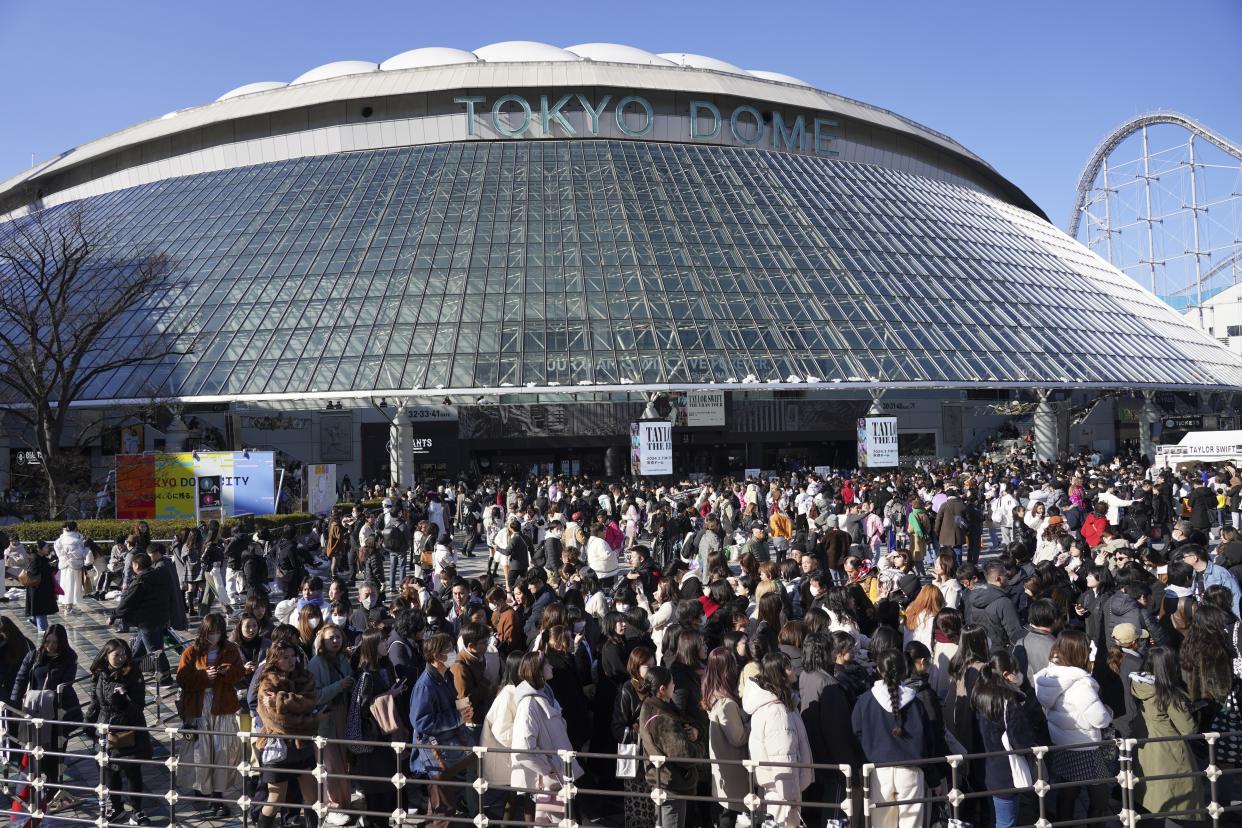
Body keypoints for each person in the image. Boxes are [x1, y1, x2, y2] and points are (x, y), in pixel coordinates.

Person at [851, 648, 937, 828]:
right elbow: (928, 740)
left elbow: (856, 733)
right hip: (910, 772)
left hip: (878, 772)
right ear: (904, 669)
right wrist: (933, 776)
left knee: (880, 824)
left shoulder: (865, 701)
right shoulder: (915, 702)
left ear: (878, 669)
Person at [1033, 630, 1114, 822]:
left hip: (1062, 743)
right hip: (1086, 747)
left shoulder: (1049, 676)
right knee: (1101, 800)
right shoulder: (1081, 684)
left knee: (1067, 796)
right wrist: (1109, 711)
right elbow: (1099, 719)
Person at [176, 613, 246, 814]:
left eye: (217, 632)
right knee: (201, 752)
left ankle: (218, 797)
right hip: (199, 707)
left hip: (222, 706)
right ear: (203, 632)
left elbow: (239, 674)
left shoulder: (231, 649)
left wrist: (226, 672)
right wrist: (203, 676)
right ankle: (201, 789)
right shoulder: (191, 652)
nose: (214, 636)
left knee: (222, 752)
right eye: (210, 632)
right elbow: (182, 679)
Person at [510, 651, 585, 826]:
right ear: (537, 670)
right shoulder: (528, 705)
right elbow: (523, 749)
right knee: (559, 820)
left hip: (559, 773)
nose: (551, 667)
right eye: (547, 665)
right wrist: (549, 767)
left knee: (561, 820)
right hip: (551, 778)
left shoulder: (546, 694)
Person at [11, 624, 80, 810]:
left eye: (55, 643)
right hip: (34, 710)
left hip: (58, 712)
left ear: (62, 643)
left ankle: (53, 788)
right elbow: (21, 677)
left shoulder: (69, 657)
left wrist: (53, 697)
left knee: (55, 752)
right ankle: (42, 787)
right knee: (35, 751)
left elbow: (67, 684)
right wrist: (15, 702)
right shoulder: (34, 655)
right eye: (48, 641)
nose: (50, 646)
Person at [970, 651, 1043, 828]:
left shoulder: (978, 693)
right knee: (1006, 822)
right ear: (1005, 674)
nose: (1017, 675)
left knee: (993, 818)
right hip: (1006, 773)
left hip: (983, 768)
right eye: (1015, 671)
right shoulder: (1007, 700)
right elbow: (1020, 740)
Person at [1131, 646, 1204, 820]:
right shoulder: (1169, 694)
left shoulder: (1136, 685)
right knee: (1179, 805)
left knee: (1149, 801)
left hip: (1145, 750)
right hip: (1170, 753)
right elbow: (1188, 729)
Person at [744, 651, 814, 828]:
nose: (795, 671)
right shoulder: (777, 711)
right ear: (781, 673)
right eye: (790, 667)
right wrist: (790, 796)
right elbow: (783, 755)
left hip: (775, 787)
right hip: (782, 790)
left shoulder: (776, 704)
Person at [85, 638, 152, 824]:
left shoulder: (133, 674)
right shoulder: (100, 674)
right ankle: (116, 807)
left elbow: (139, 706)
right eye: (117, 655)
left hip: (129, 728)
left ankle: (137, 810)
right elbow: (95, 701)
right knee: (110, 771)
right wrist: (89, 721)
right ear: (106, 656)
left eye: (124, 654)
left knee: (132, 770)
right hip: (105, 727)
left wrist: (123, 701)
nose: (121, 658)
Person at [255, 640, 320, 828]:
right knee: (276, 798)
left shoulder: (305, 676)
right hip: (277, 745)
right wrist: (305, 717)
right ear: (276, 660)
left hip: (302, 744)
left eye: (293, 656)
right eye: (285, 657)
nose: (291, 661)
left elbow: (310, 702)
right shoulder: (267, 682)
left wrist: (281, 700)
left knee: (312, 797)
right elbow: (276, 721)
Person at [800, 631, 862, 828]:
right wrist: (850, 765)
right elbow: (838, 732)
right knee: (834, 814)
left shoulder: (805, 675)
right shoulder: (828, 683)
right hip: (833, 761)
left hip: (813, 754)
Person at [409, 633, 471, 824]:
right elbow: (421, 722)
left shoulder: (444, 675)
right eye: (449, 650)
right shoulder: (426, 685)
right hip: (435, 754)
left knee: (440, 806)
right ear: (437, 656)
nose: (454, 653)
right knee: (443, 808)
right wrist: (457, 717)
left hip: (446, 750)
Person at [638, 665, 704, 828]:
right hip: (671, 783)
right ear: (662, 689)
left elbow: (684, 720)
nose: (674, 686)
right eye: (672, 683)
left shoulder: (652, 706)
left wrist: (696, 731)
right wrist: (699, 746)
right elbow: (685, 755)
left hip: (667, 780)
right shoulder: (662, 718)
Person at [348, 629, 401, 828]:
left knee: (385, 787)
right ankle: (371, 822)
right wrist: (390, 694)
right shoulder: (367, 675)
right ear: (372, 646)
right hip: (373, 739)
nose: (386, 644)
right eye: (381, 642)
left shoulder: (383, 667)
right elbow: (364, 707)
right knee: (377, 788)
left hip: (382, 737)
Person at [307, 623, 355, 824]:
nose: (335, 641)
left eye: (337, 637)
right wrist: (339, 686)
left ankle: (344, 802)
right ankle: (334, 805)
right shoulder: (315, 663)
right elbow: (315, 696)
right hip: (325, 717)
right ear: (322, 641)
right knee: (331, 763)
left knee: (343, 761)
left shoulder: (344, 659)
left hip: (343, 714)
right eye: (330, 638)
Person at [702, 647, 748, 828]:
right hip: (733, 770)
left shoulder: (711, 694)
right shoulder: (727, 703)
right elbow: (738, 738)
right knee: (728, 816)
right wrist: (752, 721)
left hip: (722, 768)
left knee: (725, 814)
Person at [612, 647, 657, 828]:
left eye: (654, 666)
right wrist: (637, 732)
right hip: (636, 758)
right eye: (647, 667)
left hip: (655, 755)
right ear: (636, 667)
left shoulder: (656, 686)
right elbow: (616, 726)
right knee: (638, 811)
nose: (651, 670)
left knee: (657, 807)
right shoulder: (627, 689)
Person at [114, 551, 174, 683]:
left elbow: (128, 601)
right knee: (138, 650)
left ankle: (165, 678)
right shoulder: (158, 576)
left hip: (147, 620)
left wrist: (114, 615)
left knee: (154, 651)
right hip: (158, 617)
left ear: (136, 565)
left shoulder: (141, 580)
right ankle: (129, 672)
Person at [20, 541, 57, 631]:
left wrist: (51, 566)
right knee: (40, 609)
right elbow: (34, 573)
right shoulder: (34, 558)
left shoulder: (41, 557)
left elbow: (44, 569)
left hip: (42, 589)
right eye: (46, 547)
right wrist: (48, 566)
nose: (48, 549)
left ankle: (34, 621)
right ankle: (43, 630)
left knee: (39, 609)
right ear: (39, 549)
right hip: (37, 589)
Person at [53, 521, 87, 614]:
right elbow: (80, 553)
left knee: (65, 584)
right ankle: (69, 607)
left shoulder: (61, 539)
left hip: (64, 565)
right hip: (74, 565)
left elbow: (56, 548)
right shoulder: (76, 540)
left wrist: (62, 557)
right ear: (75, 528)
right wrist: (85, 551)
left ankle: (67, 606)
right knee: (72, 586)